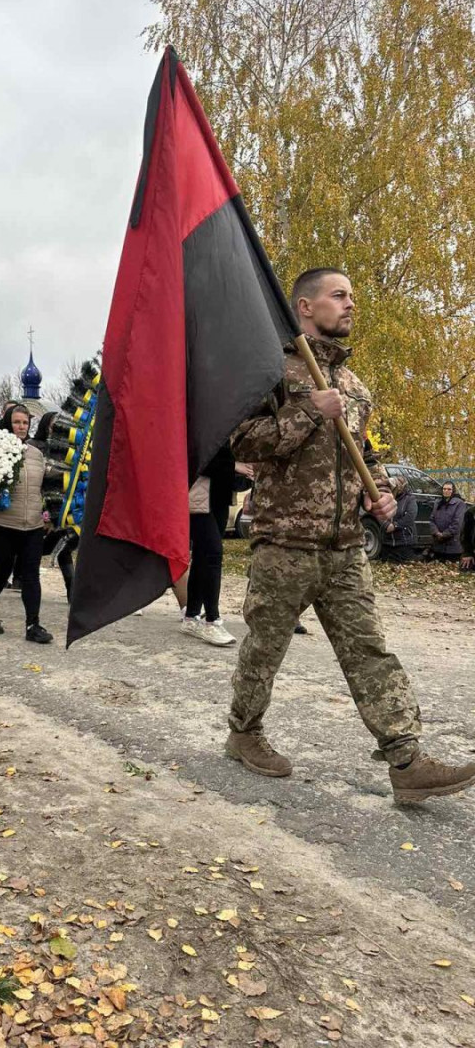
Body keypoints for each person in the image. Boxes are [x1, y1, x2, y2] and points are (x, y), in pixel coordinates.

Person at [227, 267, 475, 803]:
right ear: (305, 307)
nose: (350, 305)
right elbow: (242, 445)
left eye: (352, 297)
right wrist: (305, 413)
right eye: (339, 296)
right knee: (264, 650)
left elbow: (367, 455)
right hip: (286, 544)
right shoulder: (275, 372)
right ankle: (244, 732)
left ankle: (406, 760)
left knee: (369, 652)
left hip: (343, 547)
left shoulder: (354, 385)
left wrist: (379, 491)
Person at [0, 404, 53, 643]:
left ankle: (33, 625)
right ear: (8, 423)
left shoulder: (36, 454)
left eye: (25, 423)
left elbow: (44, 489)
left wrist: (47, 516)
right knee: (1, 572)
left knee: (31, 575)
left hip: (31, 524)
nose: (21, 427)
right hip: (0, 524)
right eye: (17, 422)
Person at [181, 445, 237, 646]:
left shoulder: (234, 420)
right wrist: (234, 466)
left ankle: (191, 616)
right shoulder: (201, 420)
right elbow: (194, 457)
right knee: (213, 553)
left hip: (220, 496)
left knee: (202, 555)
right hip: (199, 495)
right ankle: (212, 620)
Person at [382, 475, 417, 564]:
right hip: (387, 542)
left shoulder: (410, 498)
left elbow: (410, 516)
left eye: (400, 482)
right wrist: (386, 525)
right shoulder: (386, 497)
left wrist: (395, 525)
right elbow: (379, 514)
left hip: (403, 541)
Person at [428, 481, 466, 562]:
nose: (446, 491)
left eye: (449, 489)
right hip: (438, 545)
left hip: (452, 547)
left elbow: (457, 523)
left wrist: (444, 534)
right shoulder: (438, 502)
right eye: (444, 489)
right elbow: (432, 520)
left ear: (453, 491)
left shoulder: (459, 503)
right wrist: (436, 532)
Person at [460, 502, 475, 572]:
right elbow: (465, 535)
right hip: (472, 552)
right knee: (465, 567)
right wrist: (467, 553)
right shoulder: (470, 512)